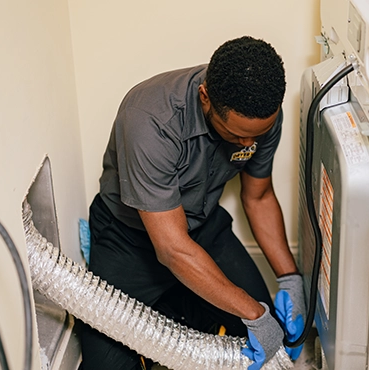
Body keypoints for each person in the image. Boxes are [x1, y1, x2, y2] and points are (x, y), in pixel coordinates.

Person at [80, 36, 305, 370]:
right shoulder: (149, 119)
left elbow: (258, 197)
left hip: (202, 227)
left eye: (258, 134)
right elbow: (172, 249)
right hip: (129, 239)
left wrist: (290, 278)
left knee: (272, 337)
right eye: (237, 135)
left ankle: (183, 309)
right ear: (205, 98)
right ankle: (175, 311)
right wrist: (251, 312)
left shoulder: (260, 114)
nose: (248, 142)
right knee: (107, 367)